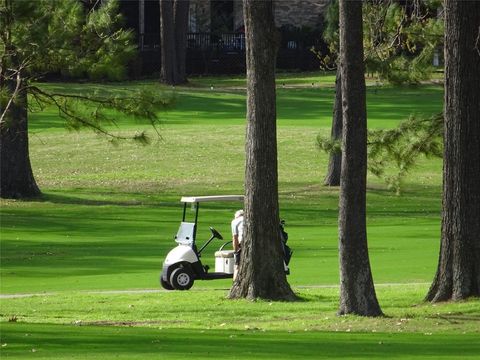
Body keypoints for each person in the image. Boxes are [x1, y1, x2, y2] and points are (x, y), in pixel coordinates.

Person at [231, 209, 244, 279]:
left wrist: (236, 251)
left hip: (242, 243)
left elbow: (235, 238)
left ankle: (234, 283)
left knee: (237, 266)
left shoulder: (235, 221)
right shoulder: (250, 219)